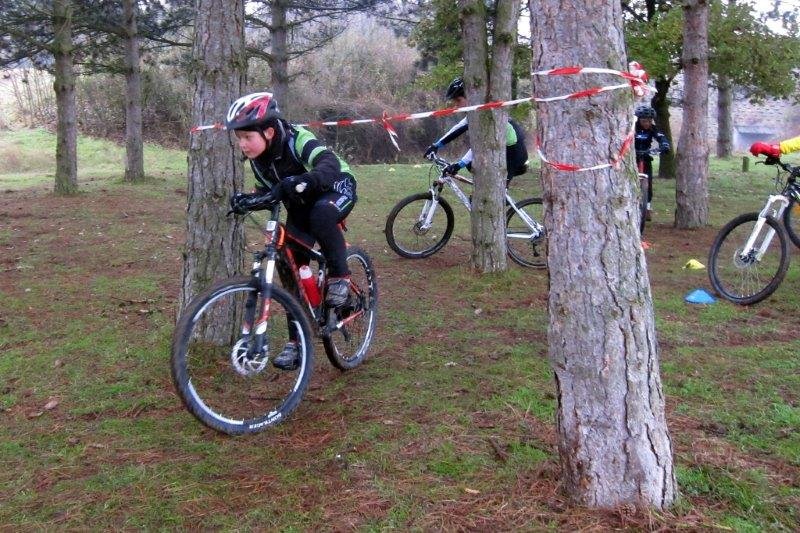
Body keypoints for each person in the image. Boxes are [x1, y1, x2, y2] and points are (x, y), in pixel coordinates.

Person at [226, 92, 357, 370]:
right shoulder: (258, 160)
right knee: (291, 264)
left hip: (336, 186)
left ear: (269, 131)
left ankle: (341, 277)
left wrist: (303, 180)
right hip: (302, 200)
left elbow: (329, 164)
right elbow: (269, 190)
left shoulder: (297, 139)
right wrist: (249, 199)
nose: (242, 145)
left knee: (322, 215)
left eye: (247, 137)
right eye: (239, 139)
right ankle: (296, 342)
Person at [423, 77, 529, 183]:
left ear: (470, 97)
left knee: (496, 192)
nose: (456, 105)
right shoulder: (475, 114)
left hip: (514, 155)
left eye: (458, 100)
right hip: (500, 152)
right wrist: (436, 145)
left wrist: (459, 165)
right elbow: (457, 129)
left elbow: (480, 146)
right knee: (472, 166)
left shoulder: (487, 115)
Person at [634, 104, 670, 221]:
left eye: (649, 121)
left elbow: (661, 137)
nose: (647, 123)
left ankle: (647, 208)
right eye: (644, 121)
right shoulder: (632, 127)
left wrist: (664, 145)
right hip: (633, 157)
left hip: (645, 156)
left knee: (648, 183)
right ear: (639, 120)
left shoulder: (653, 129)